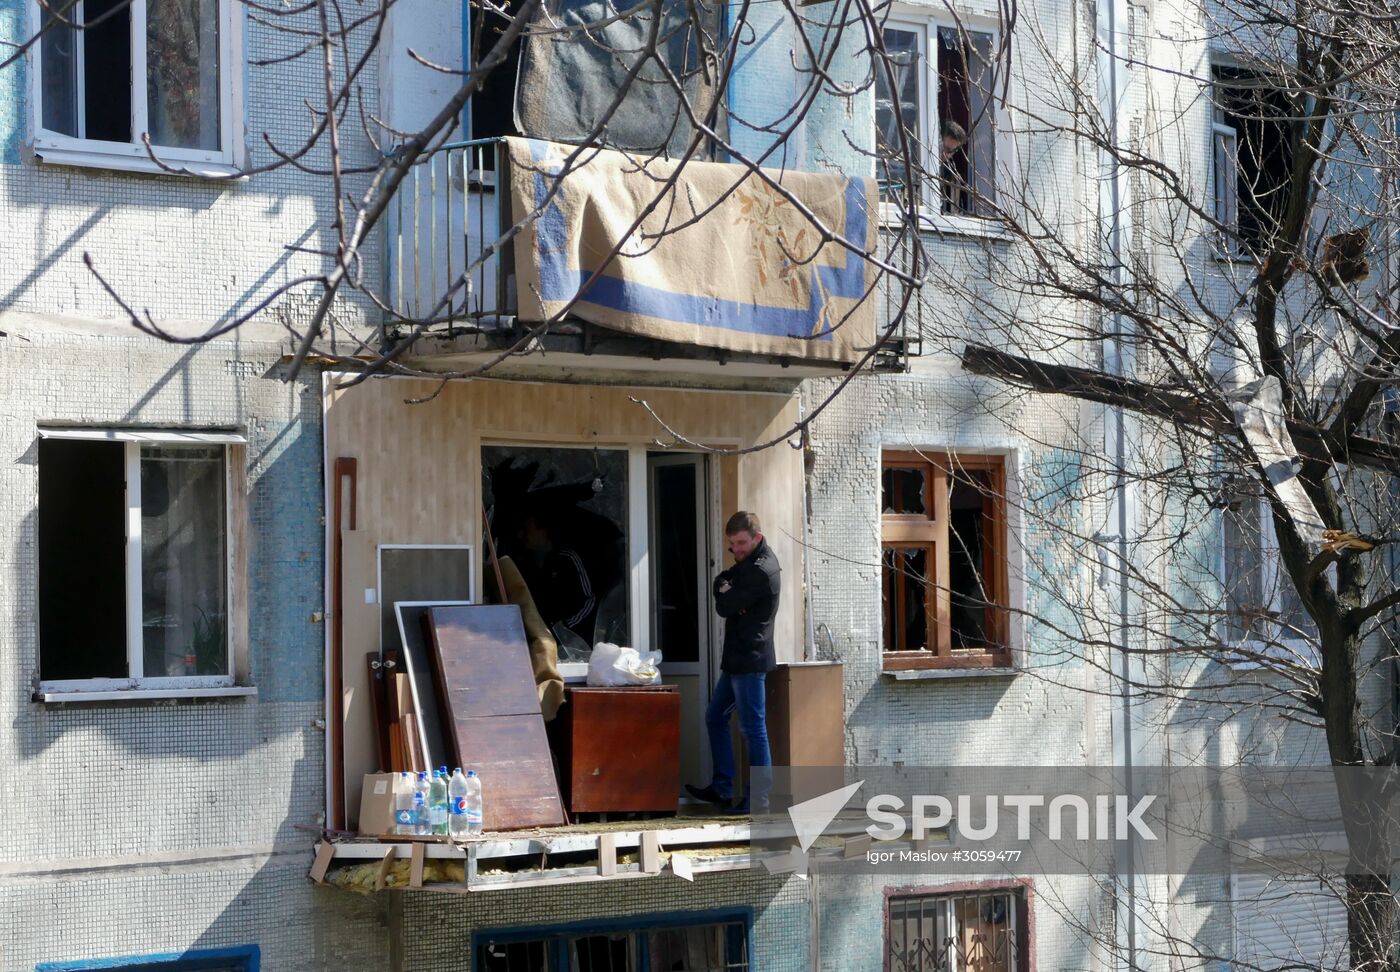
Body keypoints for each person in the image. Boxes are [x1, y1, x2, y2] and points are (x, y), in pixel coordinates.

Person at [685, 511, 780, 815]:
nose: (736, 549)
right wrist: (726, 589)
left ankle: (759, 801)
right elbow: (720, 583)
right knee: (715, 717)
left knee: (753, 730)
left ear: (757, 538)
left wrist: (729, 595)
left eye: (741, 543)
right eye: (732, 544)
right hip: (737, 659)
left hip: (750, 660)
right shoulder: (748, 563)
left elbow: (725, 606)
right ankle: (722, 788)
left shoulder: (761, 570)